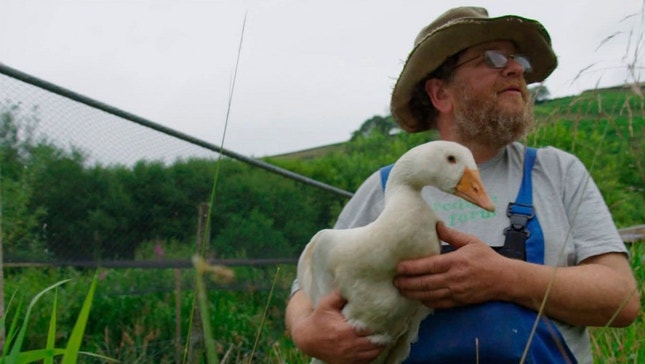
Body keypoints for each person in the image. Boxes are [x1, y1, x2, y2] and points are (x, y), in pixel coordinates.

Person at [285, 6, 640, 364]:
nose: (516, 68)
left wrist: (505, 278)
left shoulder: (558, 172)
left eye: (517, 60)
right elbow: (307, 286)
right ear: (440, 94)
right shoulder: (384, 186)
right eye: (493, 58)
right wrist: (307, 332)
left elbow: (622, 300)